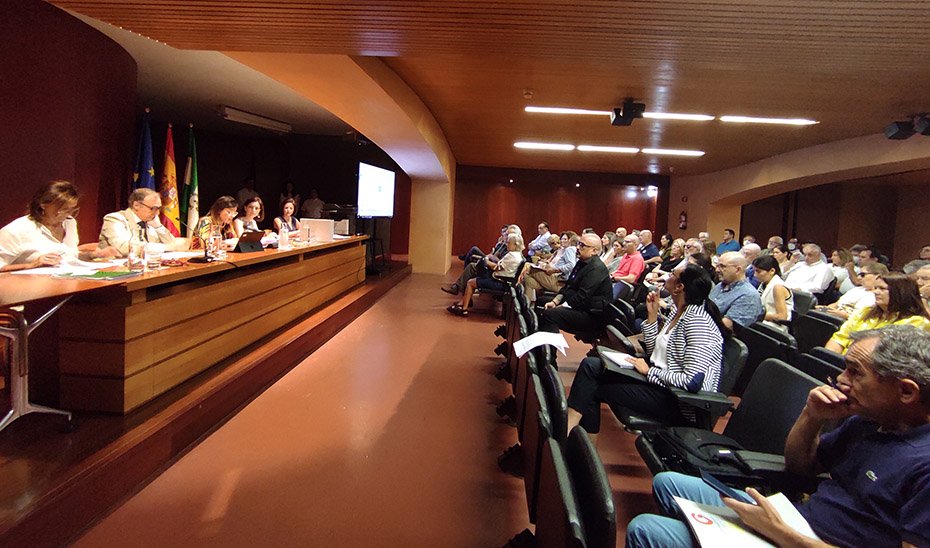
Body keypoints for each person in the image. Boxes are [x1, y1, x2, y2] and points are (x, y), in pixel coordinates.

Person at [626, 325, 930, 548]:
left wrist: (779, 533)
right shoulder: (870, 420)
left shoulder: (923, 464)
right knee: (669, 483)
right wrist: (812, 415)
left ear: (906, 391)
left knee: (647, 530)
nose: (841, 380)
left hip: (799, 538)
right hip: (797, 521)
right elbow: (800, 467)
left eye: (855, 372)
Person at [566, 264, 726, 436]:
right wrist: (652, 317)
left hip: (677, 400)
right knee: (592, 365)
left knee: (593, 387)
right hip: (658, 383)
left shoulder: (698, 323)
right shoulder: (678, 312)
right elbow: (654, 352)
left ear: (680, 287)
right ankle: (571, 432)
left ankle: (575, 442)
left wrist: (650, 372)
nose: (667, 277)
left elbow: (692, 382)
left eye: (672, 274)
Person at [0, 180, 119, 272]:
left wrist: (93, 255)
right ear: (43, 205)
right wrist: (31, 265)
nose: (66, 215)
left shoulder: (70, 222)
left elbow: (68, 257)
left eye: (71, 210)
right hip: (29, 293)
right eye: (61, 210)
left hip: (65, 286)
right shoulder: (18, 230)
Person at [826, 272, 930, 354]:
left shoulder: (915, 322)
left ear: (900, 292)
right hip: (842, 363)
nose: (875, 292)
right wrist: (831, 360)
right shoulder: (865, 311)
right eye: (875, 288)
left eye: (882, 288)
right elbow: (839, 338)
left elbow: (883, 356)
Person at [539, 234, 612, 336]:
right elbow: (569, 286)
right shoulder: (581, 262)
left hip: (591, 314)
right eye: (578, 243)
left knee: (550, 314)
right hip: (579, 306)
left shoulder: (596, 268)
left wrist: (561, 307)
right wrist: (555, 302)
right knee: (542, 301)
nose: (578, 247)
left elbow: (582, 296)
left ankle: (549, 350)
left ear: (594, 251)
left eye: (582, 245)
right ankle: (539, 341)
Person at [447, 233, 524, 316]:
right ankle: (463, 303)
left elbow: (497, 267)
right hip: (502, 280)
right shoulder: (518, 255)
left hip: (500, 282)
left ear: (515, 245)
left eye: (509, 243)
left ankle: (464, 309)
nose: (507, 244)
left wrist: (486, 262)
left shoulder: (511, 256)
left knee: (470, 282)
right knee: (477, 271)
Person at [97, 187, 176, 256]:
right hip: (115, 269)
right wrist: (164, 247)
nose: (157, 213)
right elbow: (124, 248)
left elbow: (173, 245)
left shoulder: (151, 222)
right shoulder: (114, 219)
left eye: (158, 209)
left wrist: (158, 227)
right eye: (153, 208)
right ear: (136, 205)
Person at [709, 251, 763, 330]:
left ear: (737, 269)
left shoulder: (748, 295)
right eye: (717, 266)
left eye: (722, 266)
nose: (717, 270)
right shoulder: (719, 286)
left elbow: (724, 328)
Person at [521, 231, 578, 304]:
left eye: (565, 239)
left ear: (571, 240)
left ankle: (524, 305)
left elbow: (571, 265)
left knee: (530, 269)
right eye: (562, 239)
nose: (562, 241)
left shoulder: (569, 249)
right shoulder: (568, 250)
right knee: (529, 281)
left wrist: (555, 270)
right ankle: (527, 307)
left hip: (559, 282)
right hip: (557, 279)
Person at [819, 262, 888, 320]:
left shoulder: (880, 296)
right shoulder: (856, 290)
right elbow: (836, 304)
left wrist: (845, 316)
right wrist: (823, 309)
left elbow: (869, 321)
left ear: (877, 276)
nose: (858, 278)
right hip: (832, 318)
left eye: (863, 275)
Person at [752, 255, 794, 332]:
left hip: (775, 328)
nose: (755, 275)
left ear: (772, 271)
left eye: (758, 271)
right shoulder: (763, 283)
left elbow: (782, 317)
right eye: (754, 271)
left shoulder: (778, 287)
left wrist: (758, 316)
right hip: (763, 322)